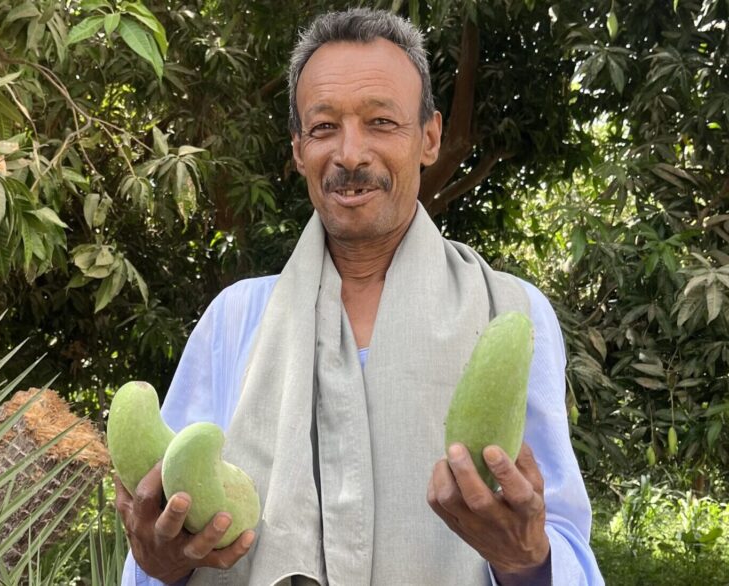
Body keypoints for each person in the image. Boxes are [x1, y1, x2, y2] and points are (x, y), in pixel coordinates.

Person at [115, 8, 604, 586]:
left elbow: (564, 542)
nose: (350, 153)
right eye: (324, 128)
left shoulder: (512, 314)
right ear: (299, 150)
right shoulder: (235, 320)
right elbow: (160, 530)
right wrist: (160, 563)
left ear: (429, 137)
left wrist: (526, 559)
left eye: (380, 122)